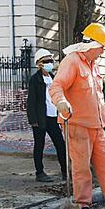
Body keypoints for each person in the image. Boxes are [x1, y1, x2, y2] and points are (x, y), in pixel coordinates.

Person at [49, 23, 105, 209]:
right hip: (77, 124)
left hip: (97, 126)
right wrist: (61, 102)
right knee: (81, 167)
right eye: (102, 47)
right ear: (92, 44)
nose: (104, 51)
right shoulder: (72, 62)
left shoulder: (92, 65)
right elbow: (57, 86)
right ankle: (82, 206)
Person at [26, 48, 67, 183]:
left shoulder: (54, 78)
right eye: (47, 61)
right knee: (39, 145)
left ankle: (65, 171)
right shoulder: (35, 79)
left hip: (53, 117)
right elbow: (31, 101)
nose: (50, 63)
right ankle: (40, 172)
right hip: (40, 118)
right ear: (39, 63)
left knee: (60, 144)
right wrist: (33, 120)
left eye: (51, 60)